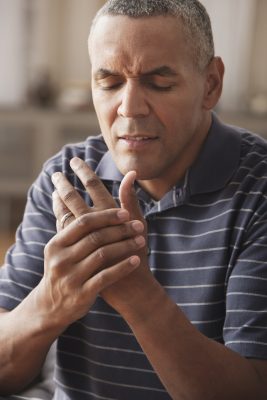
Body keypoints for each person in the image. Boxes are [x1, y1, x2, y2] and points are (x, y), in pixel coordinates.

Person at [0, 0, 267, 399]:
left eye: (159, 83)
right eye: (109, 83)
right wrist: (51, 300)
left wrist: (137, 295)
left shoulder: (258, 191)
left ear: (210, 84)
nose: (129, 108)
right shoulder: (67, 178)